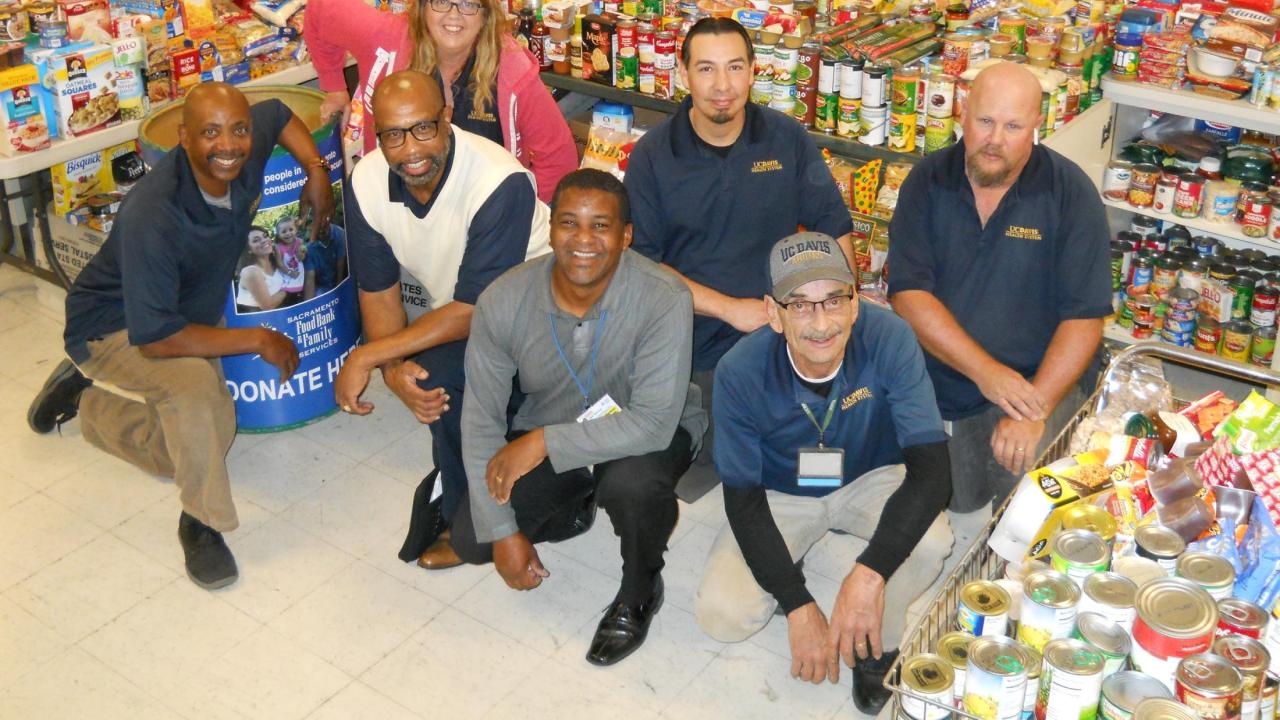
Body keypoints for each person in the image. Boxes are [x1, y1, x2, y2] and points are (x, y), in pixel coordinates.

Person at [26, 82, 335, 590]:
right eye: (210, 133)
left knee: (204, 443)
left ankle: (85, 404)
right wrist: (257, 338)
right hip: (114, 326)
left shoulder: (241, 141)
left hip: (183, 313)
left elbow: (278, 113)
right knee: (191, 393)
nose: (230, 145)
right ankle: (202, 523)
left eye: (237, 130)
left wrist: (316, 171)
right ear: (184, 138)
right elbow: (155, 339)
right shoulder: (154, 213)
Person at [456, 168, 706, 666]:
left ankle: (639, 590)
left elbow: (654, 422)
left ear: (626, 235)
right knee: (472, 539)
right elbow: (480, 418)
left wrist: (545, 442)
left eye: (602, 226)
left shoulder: (664, 297)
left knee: (633, 488)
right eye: (569, 223)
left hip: (644, 431)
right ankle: (576, 503)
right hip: (551, 422)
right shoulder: (502, 300)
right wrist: (503, 532)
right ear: (550, 229)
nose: (584, 240)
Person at [694, 233, 952, 713]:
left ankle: (877, 643)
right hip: (780, 491)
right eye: (800, 305)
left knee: (933, 542)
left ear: (857, 302)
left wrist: (870, 573)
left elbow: (933, 472)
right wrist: (797, 604)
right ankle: (785, 567)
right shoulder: (739, 372)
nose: (820, 322)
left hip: (868, 475)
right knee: (723, 617)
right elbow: (742, 499)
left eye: (834, 300)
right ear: (773, 313)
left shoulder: (890, 337)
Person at [623, 17, 855, 499]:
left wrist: (838, 312)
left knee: (822, 462)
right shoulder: (652, 156)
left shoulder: (785, 138)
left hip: (781, 330)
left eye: (734, 67)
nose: (722, 86)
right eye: (706, 69)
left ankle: (809, 493)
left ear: (754, 71)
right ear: (683, 74)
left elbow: (834, 228)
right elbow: (641, 267)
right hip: (693, 337)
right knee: (700, 468)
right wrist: (732, 308)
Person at [333, 69, 550, 569]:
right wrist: (394, 369)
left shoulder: (499, 181)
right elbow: (379, 291)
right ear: (377, 134)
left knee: (462, 379)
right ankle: (461, 510)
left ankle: (486, 507)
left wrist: (368, 355)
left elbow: (477, 308)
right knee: (432, 381)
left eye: (423, 128)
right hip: (468, 315)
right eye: (392, 134)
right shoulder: (365, 181)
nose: (410, 149)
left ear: (447, 118)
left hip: (542, 320)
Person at [887, 62, 1111, 518]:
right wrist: (986, 373)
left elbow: (1084, 318)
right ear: (963, 115)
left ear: (1035, 128)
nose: (996, 139)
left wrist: (1036, 409)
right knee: (952, 499)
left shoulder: (1070, 193)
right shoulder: (927, 181)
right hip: (951, 374)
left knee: (1026, 499)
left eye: (1014, 126)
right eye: (986, 121)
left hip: (1038, 379)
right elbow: (909, 295)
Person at [305, 0, 577, 202]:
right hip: (397, 212)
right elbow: (320, 10)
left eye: (468, 4)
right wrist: (334, 87)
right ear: (422, 8)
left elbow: (558, 155)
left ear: (486, 15)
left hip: (482, 219)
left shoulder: (510, 68)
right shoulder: (383, 37)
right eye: (441, 1)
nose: (454, 15)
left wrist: (526, 219)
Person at [236, 226, 289, 313]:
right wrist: (289, 288)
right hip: (257, 322)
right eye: (256, 240)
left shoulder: (275, 262)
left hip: (282, 314)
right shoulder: (251, 272)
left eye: (265, 236)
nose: (264, 240)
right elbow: (268, 306)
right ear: (249, 249)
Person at [303, 222, 348, 299]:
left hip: (342, 283)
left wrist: (339, 291)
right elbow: (310, 280)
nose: (320, 227)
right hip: (322, 288)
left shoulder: (339, 233)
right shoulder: (308, 248)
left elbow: (341, 266)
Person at [273, 215, 306, 303]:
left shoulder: (299, 241)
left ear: (296, 230)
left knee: (300, 288)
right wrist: (290, 272)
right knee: (287, 292)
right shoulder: (278, 247)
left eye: (291, 230)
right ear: (278, 235)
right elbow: (279, 264)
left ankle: (299, 297)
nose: (288, 233)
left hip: (297, 269)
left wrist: (302, 253)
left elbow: (300, 258)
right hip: (285, 271)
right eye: (284, 232)